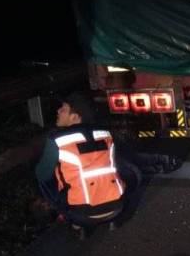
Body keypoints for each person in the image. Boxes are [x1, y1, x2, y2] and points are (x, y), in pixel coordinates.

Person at [35, 92, 125, 235]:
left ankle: (74, 222)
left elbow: (42, 174)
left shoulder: (57, 140)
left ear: (75, 117)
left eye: (63, 109)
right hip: (117, 206)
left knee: (43, 179)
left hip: (82, 213)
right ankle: (111, 220)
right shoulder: (106, 133)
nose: (58, 111)